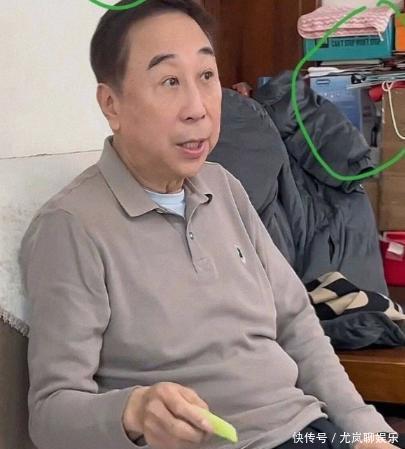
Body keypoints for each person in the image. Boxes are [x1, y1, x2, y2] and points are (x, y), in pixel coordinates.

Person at [19, 1, 400, 449]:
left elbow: (297, 323)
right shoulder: (72, 226)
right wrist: (132, 412)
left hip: (312, 432)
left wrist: (368, 432)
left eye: (205, 76)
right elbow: (50, 414)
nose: (197, 108)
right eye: (169, 81)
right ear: (111, 104)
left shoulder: (223, 186)